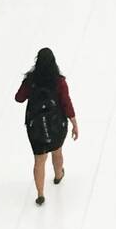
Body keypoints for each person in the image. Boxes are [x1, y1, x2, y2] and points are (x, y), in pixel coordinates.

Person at [15, 48, 79, 206]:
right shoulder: (59, 82)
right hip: (56, 125)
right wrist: (74, 124)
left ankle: (40, 194)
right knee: (57, 152)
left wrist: (28, 84)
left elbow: (19, 98)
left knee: (39, 160)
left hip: (36, 127)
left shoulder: (31, 81)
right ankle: (58, 175)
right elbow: (66, 103)